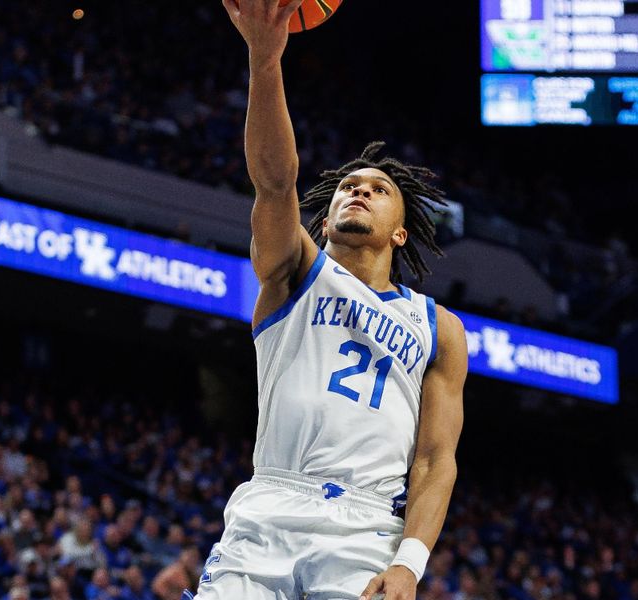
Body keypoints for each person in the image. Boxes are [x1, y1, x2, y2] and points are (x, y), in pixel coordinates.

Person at [193, 1, 468, 598]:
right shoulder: (294, 269)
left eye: (378, 189)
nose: (358, 191)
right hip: (269, 509)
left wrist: (410, 564)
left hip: (366, 529)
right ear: (323, 220)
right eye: (347, 186)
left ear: (401, 230)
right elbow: (273, 180)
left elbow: (435, 460)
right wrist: (265, 60)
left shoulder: (438, 327)